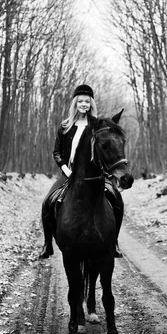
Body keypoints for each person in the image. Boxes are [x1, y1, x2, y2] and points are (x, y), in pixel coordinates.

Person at [39, 84, 124, 259]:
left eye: (87, 101)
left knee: (117, 199)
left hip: (95, 174)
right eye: (81, 101)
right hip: (69, 173)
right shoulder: (65, 126)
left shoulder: (97, 125)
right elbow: (57, 153)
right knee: (47, 202)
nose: (84, 104)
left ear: (91, 103)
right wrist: (66, 170)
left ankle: (114, 242)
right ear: (75, 103)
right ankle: (48, 244)